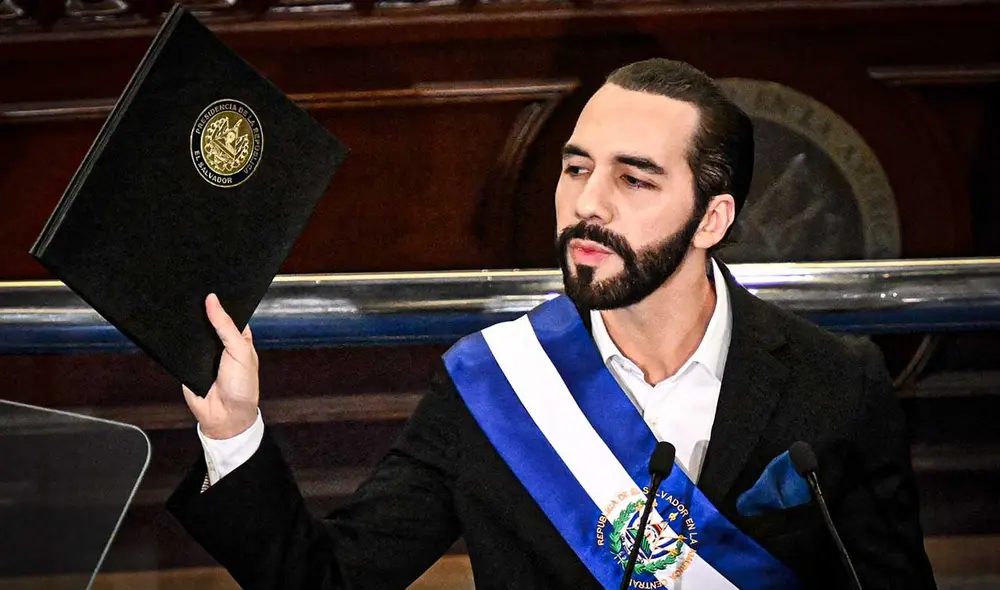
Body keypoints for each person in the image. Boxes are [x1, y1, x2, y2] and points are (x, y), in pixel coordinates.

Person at [168, 58, 937, 589]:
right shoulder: (494, 385)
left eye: (633, 178)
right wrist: (234, 431)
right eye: (576, 169)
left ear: (713, 217)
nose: (587, 204)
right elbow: (330, 580)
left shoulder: (836, 382)